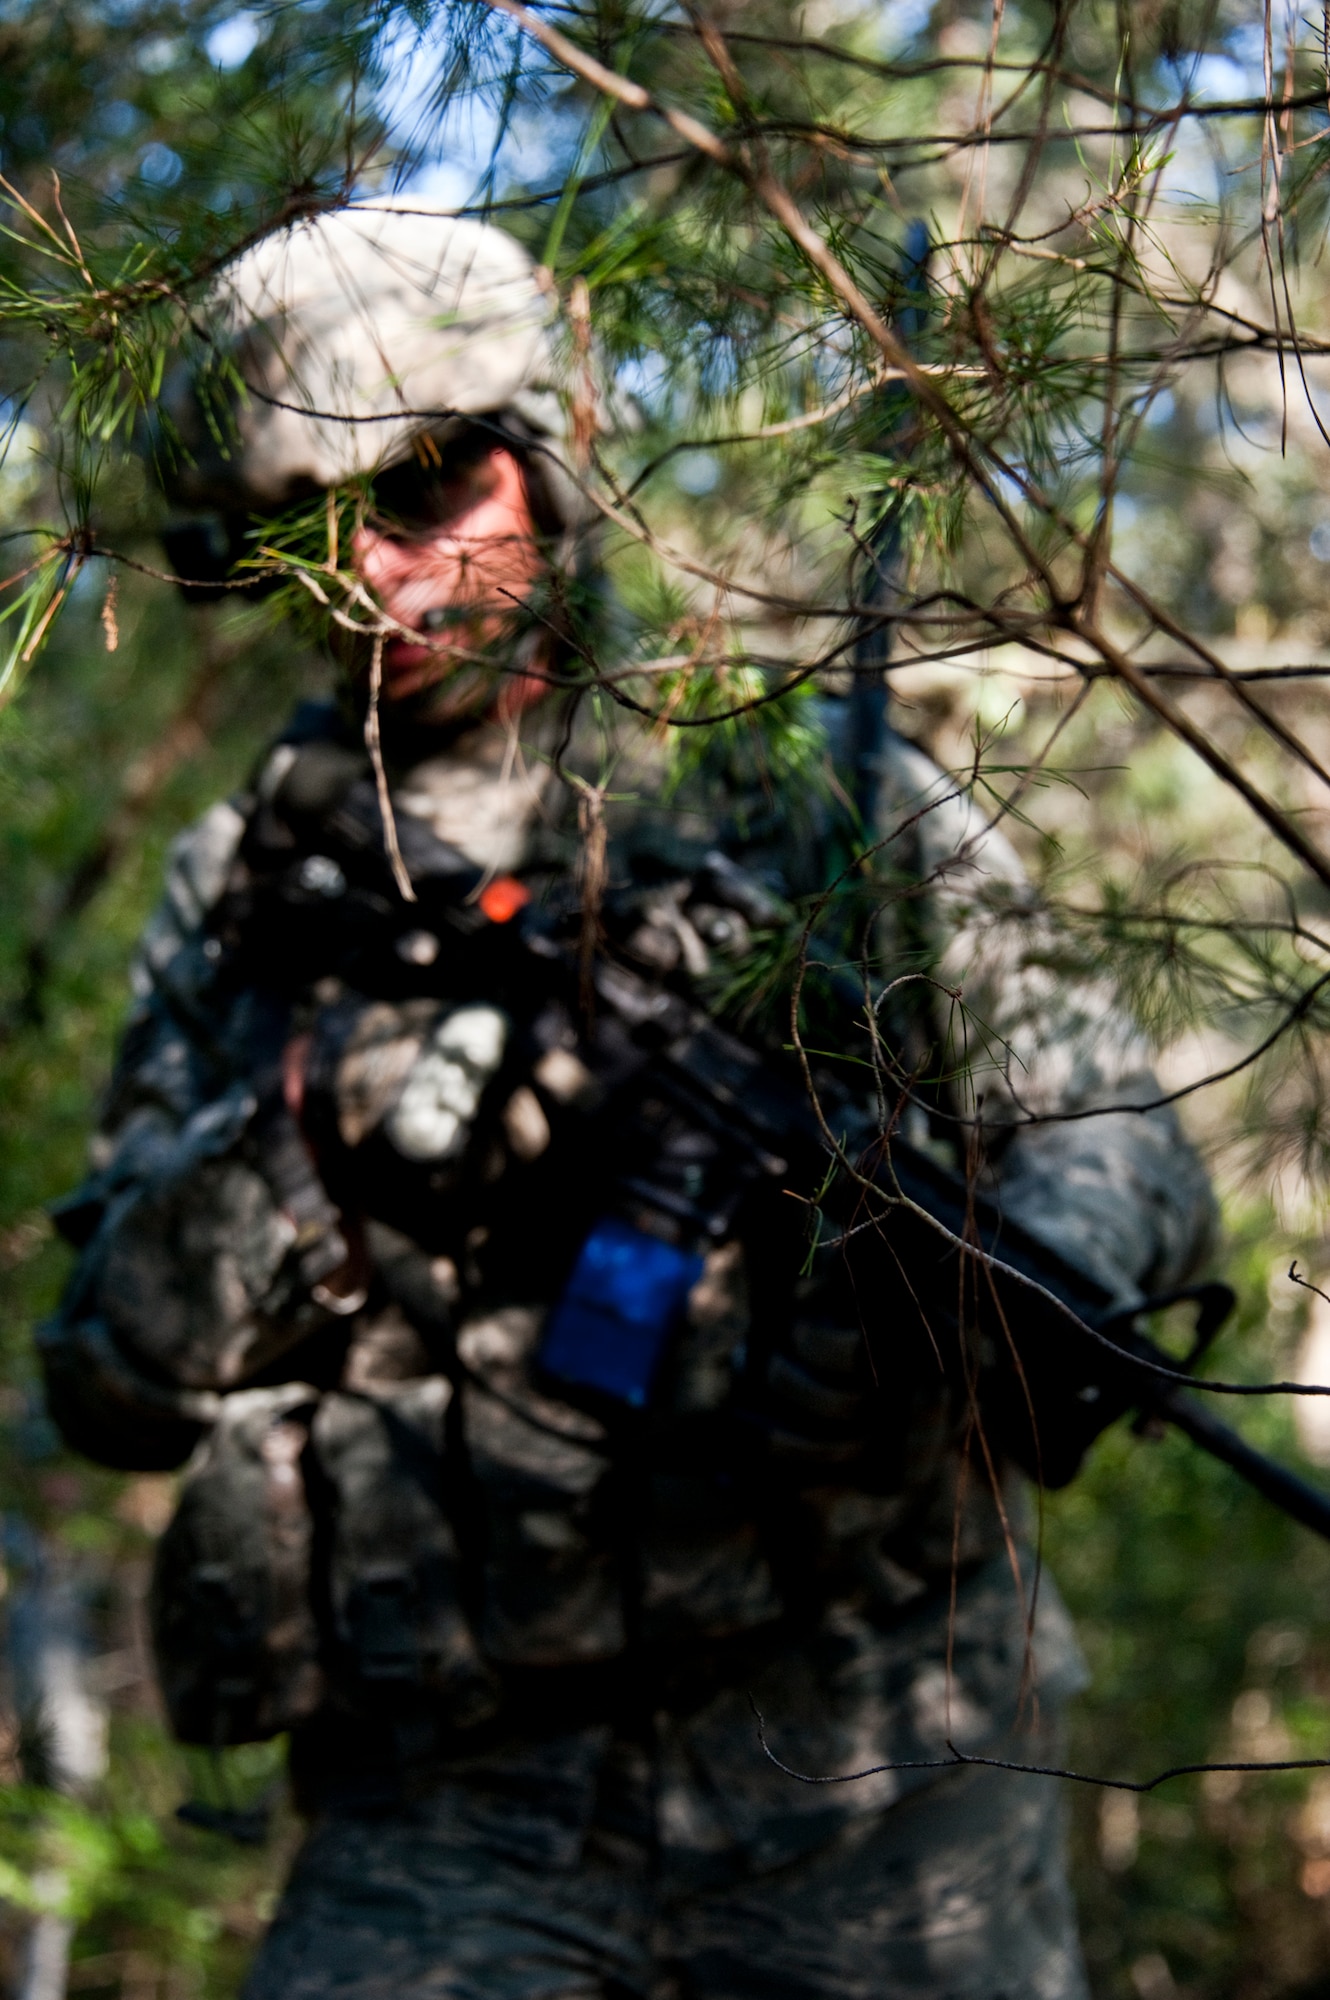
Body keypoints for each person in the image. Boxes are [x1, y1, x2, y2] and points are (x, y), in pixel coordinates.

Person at [44, 200, 1217, 2000]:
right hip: (448, 1794)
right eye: (298, 535)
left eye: (424, 489)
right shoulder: (252, 884)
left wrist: (968, 1313)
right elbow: (110, 1375)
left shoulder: (804, 798)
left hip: (873, 1765)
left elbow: (1109, 1139)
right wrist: (300, 1146)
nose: (375, 573)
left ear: (544, 454)